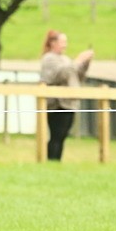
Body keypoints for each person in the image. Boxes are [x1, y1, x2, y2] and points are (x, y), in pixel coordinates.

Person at [40, 30, 93, 161]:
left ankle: (56, 160)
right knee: (57, 134)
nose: (65, 45)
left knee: (62, 135)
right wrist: (78, 60)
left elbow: (76, 76)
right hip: (57, 104)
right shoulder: (49, 59)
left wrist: (85, 63)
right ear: (53, 43)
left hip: (69, 103)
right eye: (62, 42)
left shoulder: (65, 59)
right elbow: (61, 74)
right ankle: (51, 159)